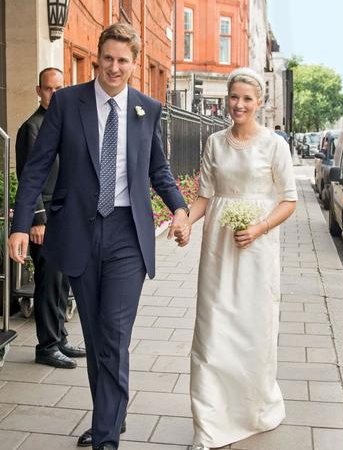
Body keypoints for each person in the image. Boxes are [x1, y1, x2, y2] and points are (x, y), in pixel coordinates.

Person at [7, 23, 191, 450]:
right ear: (97, 57)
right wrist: (20, 226)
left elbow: (158, 170)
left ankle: (106, 437)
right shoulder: (68, 103)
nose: (114, 66)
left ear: (134, 63)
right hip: (78, 232)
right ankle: (112, 414)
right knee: (94, 333)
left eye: (123, 60)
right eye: (108, 57)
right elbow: (37, 166)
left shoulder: (148, 108)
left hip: (128, 233)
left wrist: (180, 208)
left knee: (113, 333)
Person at [185, 67, 297, 450]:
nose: (239, 104)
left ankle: (254, 410)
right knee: (212, 329)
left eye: (247, 98)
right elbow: (204, 195)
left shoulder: (274, 145)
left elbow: (289, 200)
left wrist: (261, 228)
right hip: (218, 247)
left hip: (257, 250)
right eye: (234, 97)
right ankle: (210, 423)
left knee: (253, 328)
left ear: (259, 102)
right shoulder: (215, 142)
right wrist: (185, 220)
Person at [15, 67, 86, 369]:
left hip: (66, 217)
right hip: (44, 219)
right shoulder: (32, 127)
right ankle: (46, 346)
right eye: (49, 89)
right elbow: (29, 177)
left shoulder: (62, 124)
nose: (54, 94)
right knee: (48, 283)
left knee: (62, 282)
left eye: (60, 88)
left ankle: (60, 338)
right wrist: (36, 220)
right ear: (38, 91)